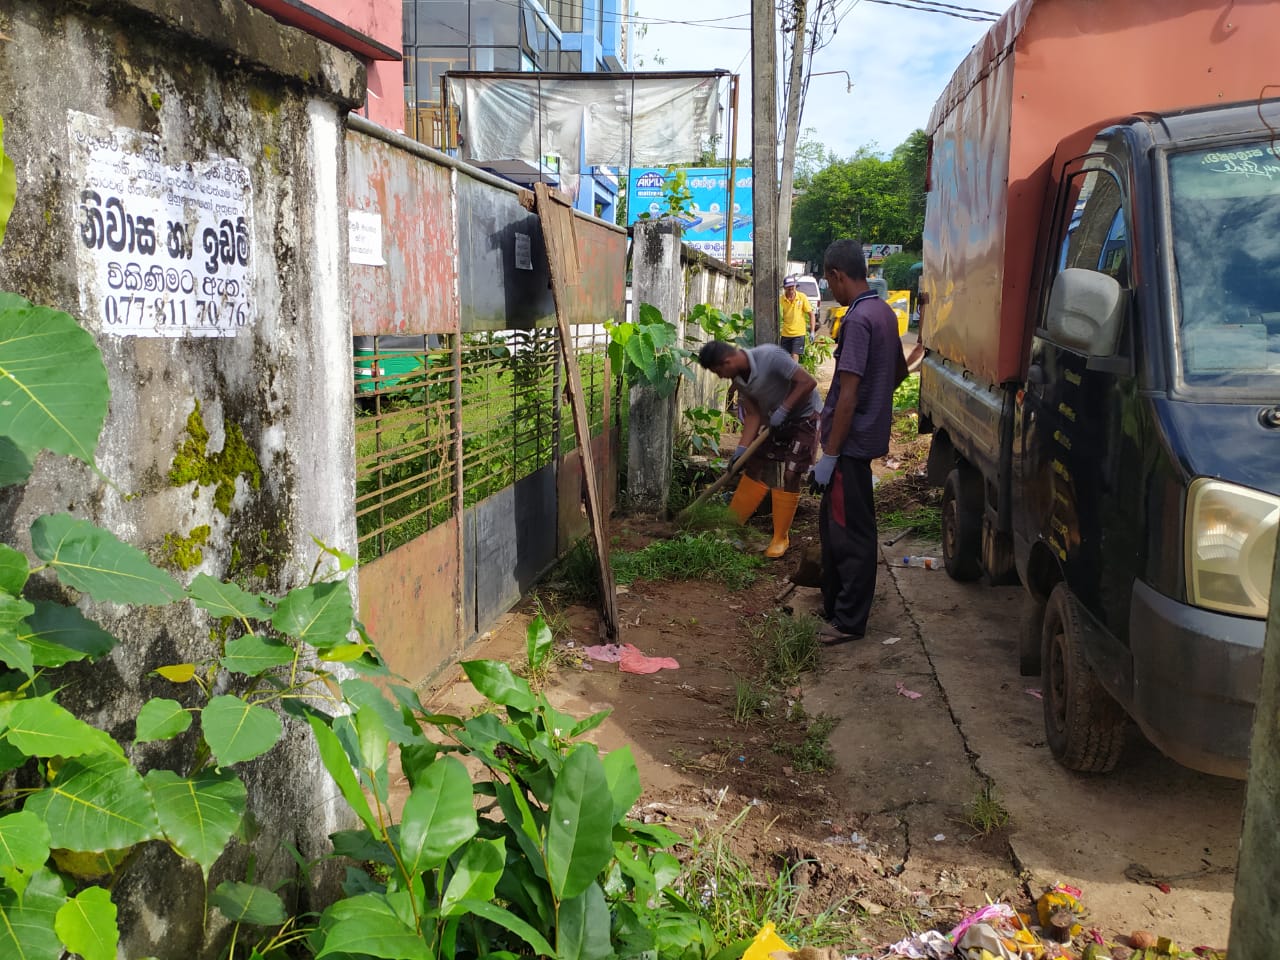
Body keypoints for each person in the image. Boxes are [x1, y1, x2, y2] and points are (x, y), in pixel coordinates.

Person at [809, 239, 924, 644]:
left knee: (848, 533)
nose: (830, 291)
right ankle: (835, 603)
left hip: (850, 446)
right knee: (836, 525)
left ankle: (848, 621)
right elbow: (897, 374)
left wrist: (830, 454)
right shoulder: (884, 313)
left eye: (829, 282)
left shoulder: (857, 320)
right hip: (863, 438)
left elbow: (848, 393)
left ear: (838, 275)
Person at [697, 340, 821, 558]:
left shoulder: (770, 356)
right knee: (752, 464)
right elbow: (754, 415)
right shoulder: (738, 379)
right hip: (775, 421)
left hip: (805, 418)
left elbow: (807, 382)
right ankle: (732, 527)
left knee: (792, 473)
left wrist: (785, 408)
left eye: (718, 371)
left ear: (727, 361)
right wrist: (741, 450)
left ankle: (780, 537)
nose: (720, 377)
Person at [778, 275, 814, 362]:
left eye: (792, 287)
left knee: (794, 356)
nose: (791, 290)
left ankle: (794, 375)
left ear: (795, 286)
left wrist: (812, 331)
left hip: (799, 333)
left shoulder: (802, 297)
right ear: (785, 288)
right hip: (785, 334)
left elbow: (811, 314)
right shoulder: (781, 300)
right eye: (788, 288)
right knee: (784, 359)